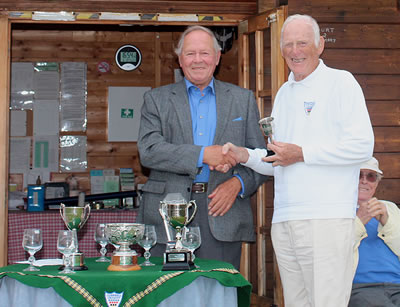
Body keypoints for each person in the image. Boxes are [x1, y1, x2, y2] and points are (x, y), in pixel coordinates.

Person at [218, 14, 374, 306]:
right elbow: (280, 160)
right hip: (286, 220)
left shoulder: (341, 82)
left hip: (326, 219)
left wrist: (302, 153)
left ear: (320, 45)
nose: (294, 50)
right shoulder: (285, 93)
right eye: (288, 44)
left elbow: (362, 146)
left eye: (302, 42)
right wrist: (245, 155)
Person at [137, 25, 267, 269]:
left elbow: (260, 159)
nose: (198, 60)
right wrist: (203, 154)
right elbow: (149, 150)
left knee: (217, 293)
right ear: (180, 59)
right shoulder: (156, 99)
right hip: (166, 214)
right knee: (166, 297)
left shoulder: (243, 99)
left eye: (205, 53)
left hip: (221, 212)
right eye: (190, 53)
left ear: (217, 58)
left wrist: (237, 184)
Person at [349, 157, 400, 307]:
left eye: (371, 176)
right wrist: (359, 221)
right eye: (358, 175)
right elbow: (332, 253)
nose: (364, 181)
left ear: (376, 183)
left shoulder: (389, 208)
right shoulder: (338, 211)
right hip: (362, 288)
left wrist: (387, 222)